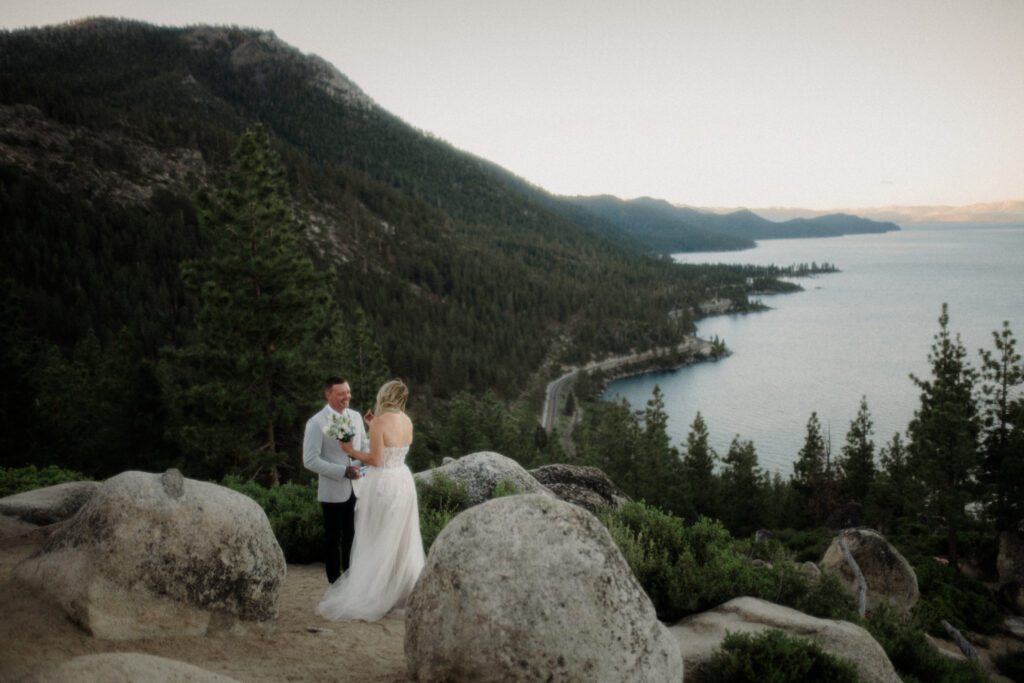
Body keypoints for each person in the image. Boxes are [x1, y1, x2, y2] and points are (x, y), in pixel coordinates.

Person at [316, 379, 425, 621]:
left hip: (383, 483)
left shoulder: (380, 422)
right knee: (400, 538)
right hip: (403, 481)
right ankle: (402, 590)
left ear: (385, 396)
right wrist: (372, 426)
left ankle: (380, 593)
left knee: (377, 535)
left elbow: (375, 459)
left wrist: (350, 450)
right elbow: (395, 447)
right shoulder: (407, 421)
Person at [303, 377, 369, 584]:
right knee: (333, 539)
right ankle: (335, 584)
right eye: (341, 393)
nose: (346, 397)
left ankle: (352, 580)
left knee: (354, 537)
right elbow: (310, 460)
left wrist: (362, 467)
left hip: (358, 488)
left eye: (348, 392)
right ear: (328, 394)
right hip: (332, 490)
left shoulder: (356, 417)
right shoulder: (316, 422)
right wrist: (343, 471)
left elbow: (364, 448)